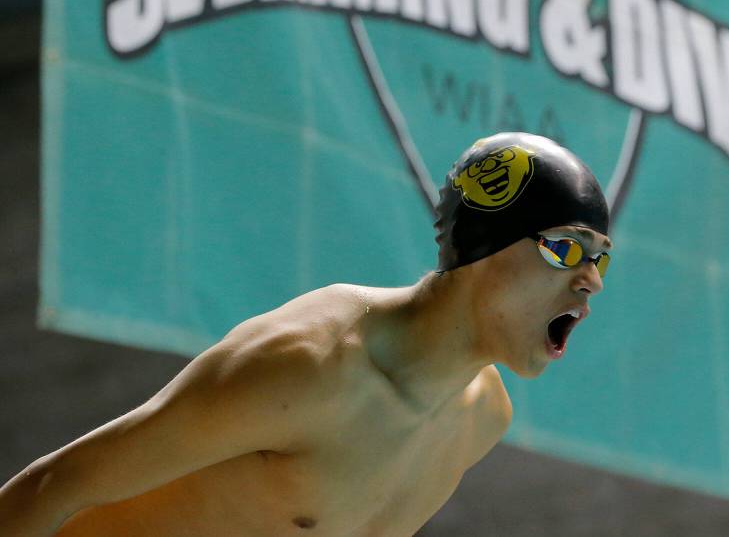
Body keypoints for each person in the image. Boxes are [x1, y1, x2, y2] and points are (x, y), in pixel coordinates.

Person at [0, 132, 613, 536]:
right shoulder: (308, 363)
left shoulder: (481, 419)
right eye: (566, 248)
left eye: (600, 259)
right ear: (483, 248)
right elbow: (51, 487)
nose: (591, 281)